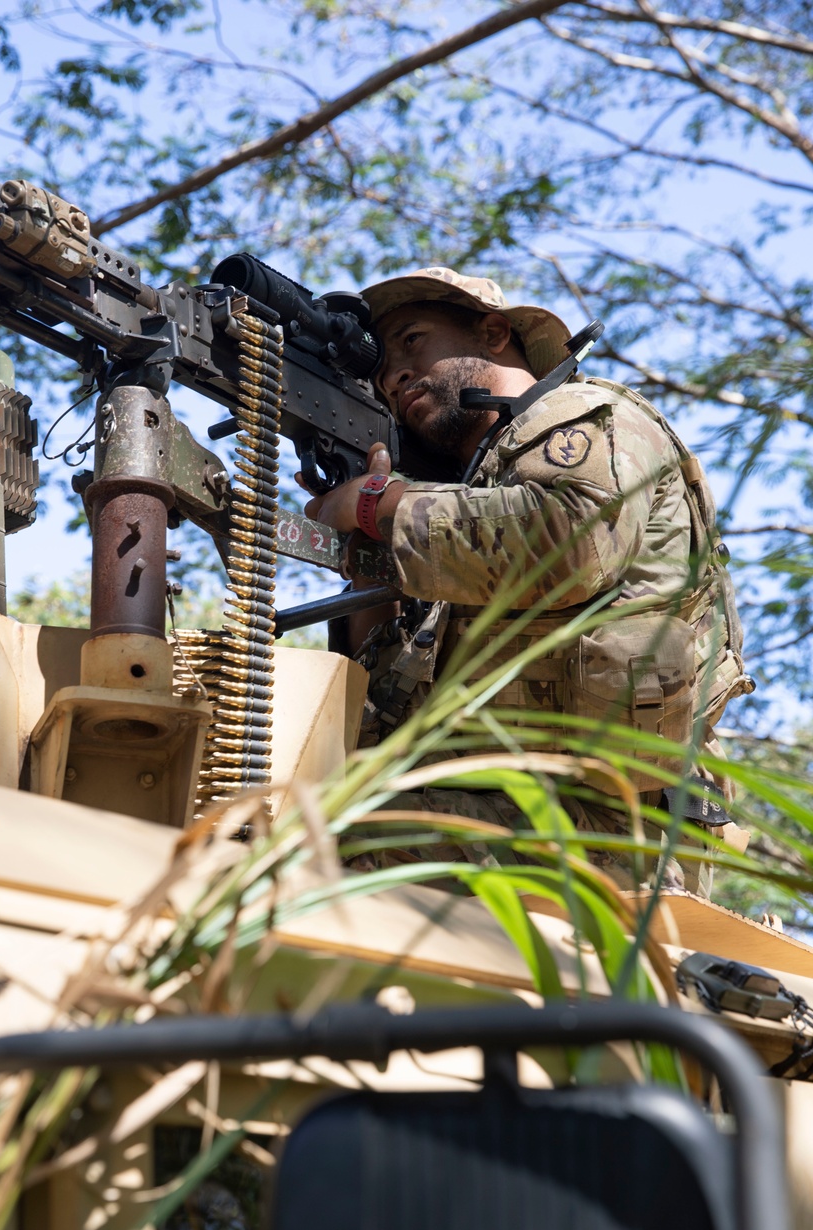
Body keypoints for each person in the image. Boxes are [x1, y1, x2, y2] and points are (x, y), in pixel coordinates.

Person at [302, 267, 752, 893]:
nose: (395, 375)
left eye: (413, 340)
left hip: (606, 831)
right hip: (502, 816)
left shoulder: (584, 413)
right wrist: (363, 547)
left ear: (492, 332)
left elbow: (569, 543)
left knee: (301, 853)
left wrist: (380, 504)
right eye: (382, 374)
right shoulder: (463, 510)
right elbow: (382, 696)